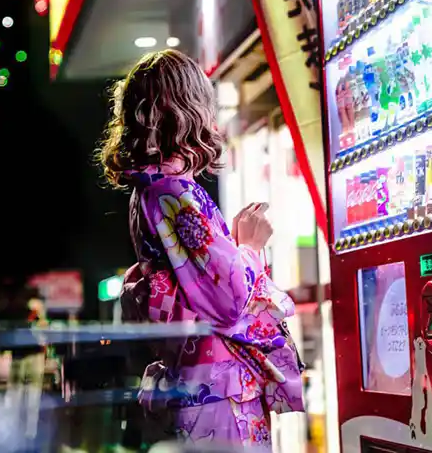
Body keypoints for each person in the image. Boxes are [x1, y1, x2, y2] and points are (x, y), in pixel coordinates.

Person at [98, 49, 304, 451]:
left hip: (192, 381)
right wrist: (250, 244)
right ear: (189, 107)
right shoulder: (175, 192)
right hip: (218, 388)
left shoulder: (149, 188)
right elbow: (230, 300)